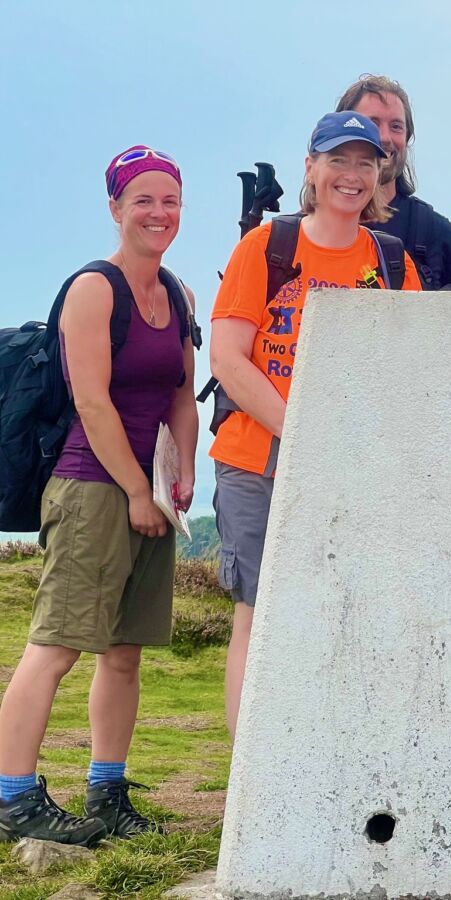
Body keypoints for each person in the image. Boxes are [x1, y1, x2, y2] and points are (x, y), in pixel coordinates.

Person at [0, 146, 197, 845]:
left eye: (169, 200)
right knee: (55, 646)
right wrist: (138, 491)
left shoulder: (176, 293)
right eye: (142, 200)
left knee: (124, 652)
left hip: (150, 491)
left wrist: (183, 477)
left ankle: (106, 792)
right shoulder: (94, 289)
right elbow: (91, 401)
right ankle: (13, 798)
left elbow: (181, 394)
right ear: (115, 208)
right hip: (90, 488)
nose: (158, 213)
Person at [210, 112, 422, 739]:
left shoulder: (390, 261)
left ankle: (324, 761)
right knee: (257, 614)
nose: (351, 176)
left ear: (381, 174)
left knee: (342, 613)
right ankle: (252, 784)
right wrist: (305, 433)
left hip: (354, 467)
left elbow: (409, 366)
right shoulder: (267, 248)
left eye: (366, 162)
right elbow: (227, 358)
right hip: (257, 462)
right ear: (310, 168)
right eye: (338, 160)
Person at [336, 74, 451, 289]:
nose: (385, 137)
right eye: (372, 123)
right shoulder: (294, 236)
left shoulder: (433, 231)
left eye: (396, 127)